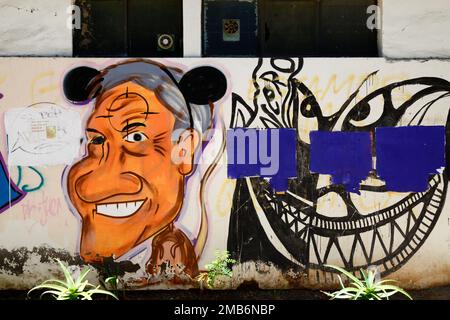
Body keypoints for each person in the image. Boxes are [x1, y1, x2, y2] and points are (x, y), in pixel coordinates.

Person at [63, 59, 226, 278]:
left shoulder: (172, 252)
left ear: (184, 151)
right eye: (98, 140)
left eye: (136, 137)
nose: (96, 183)